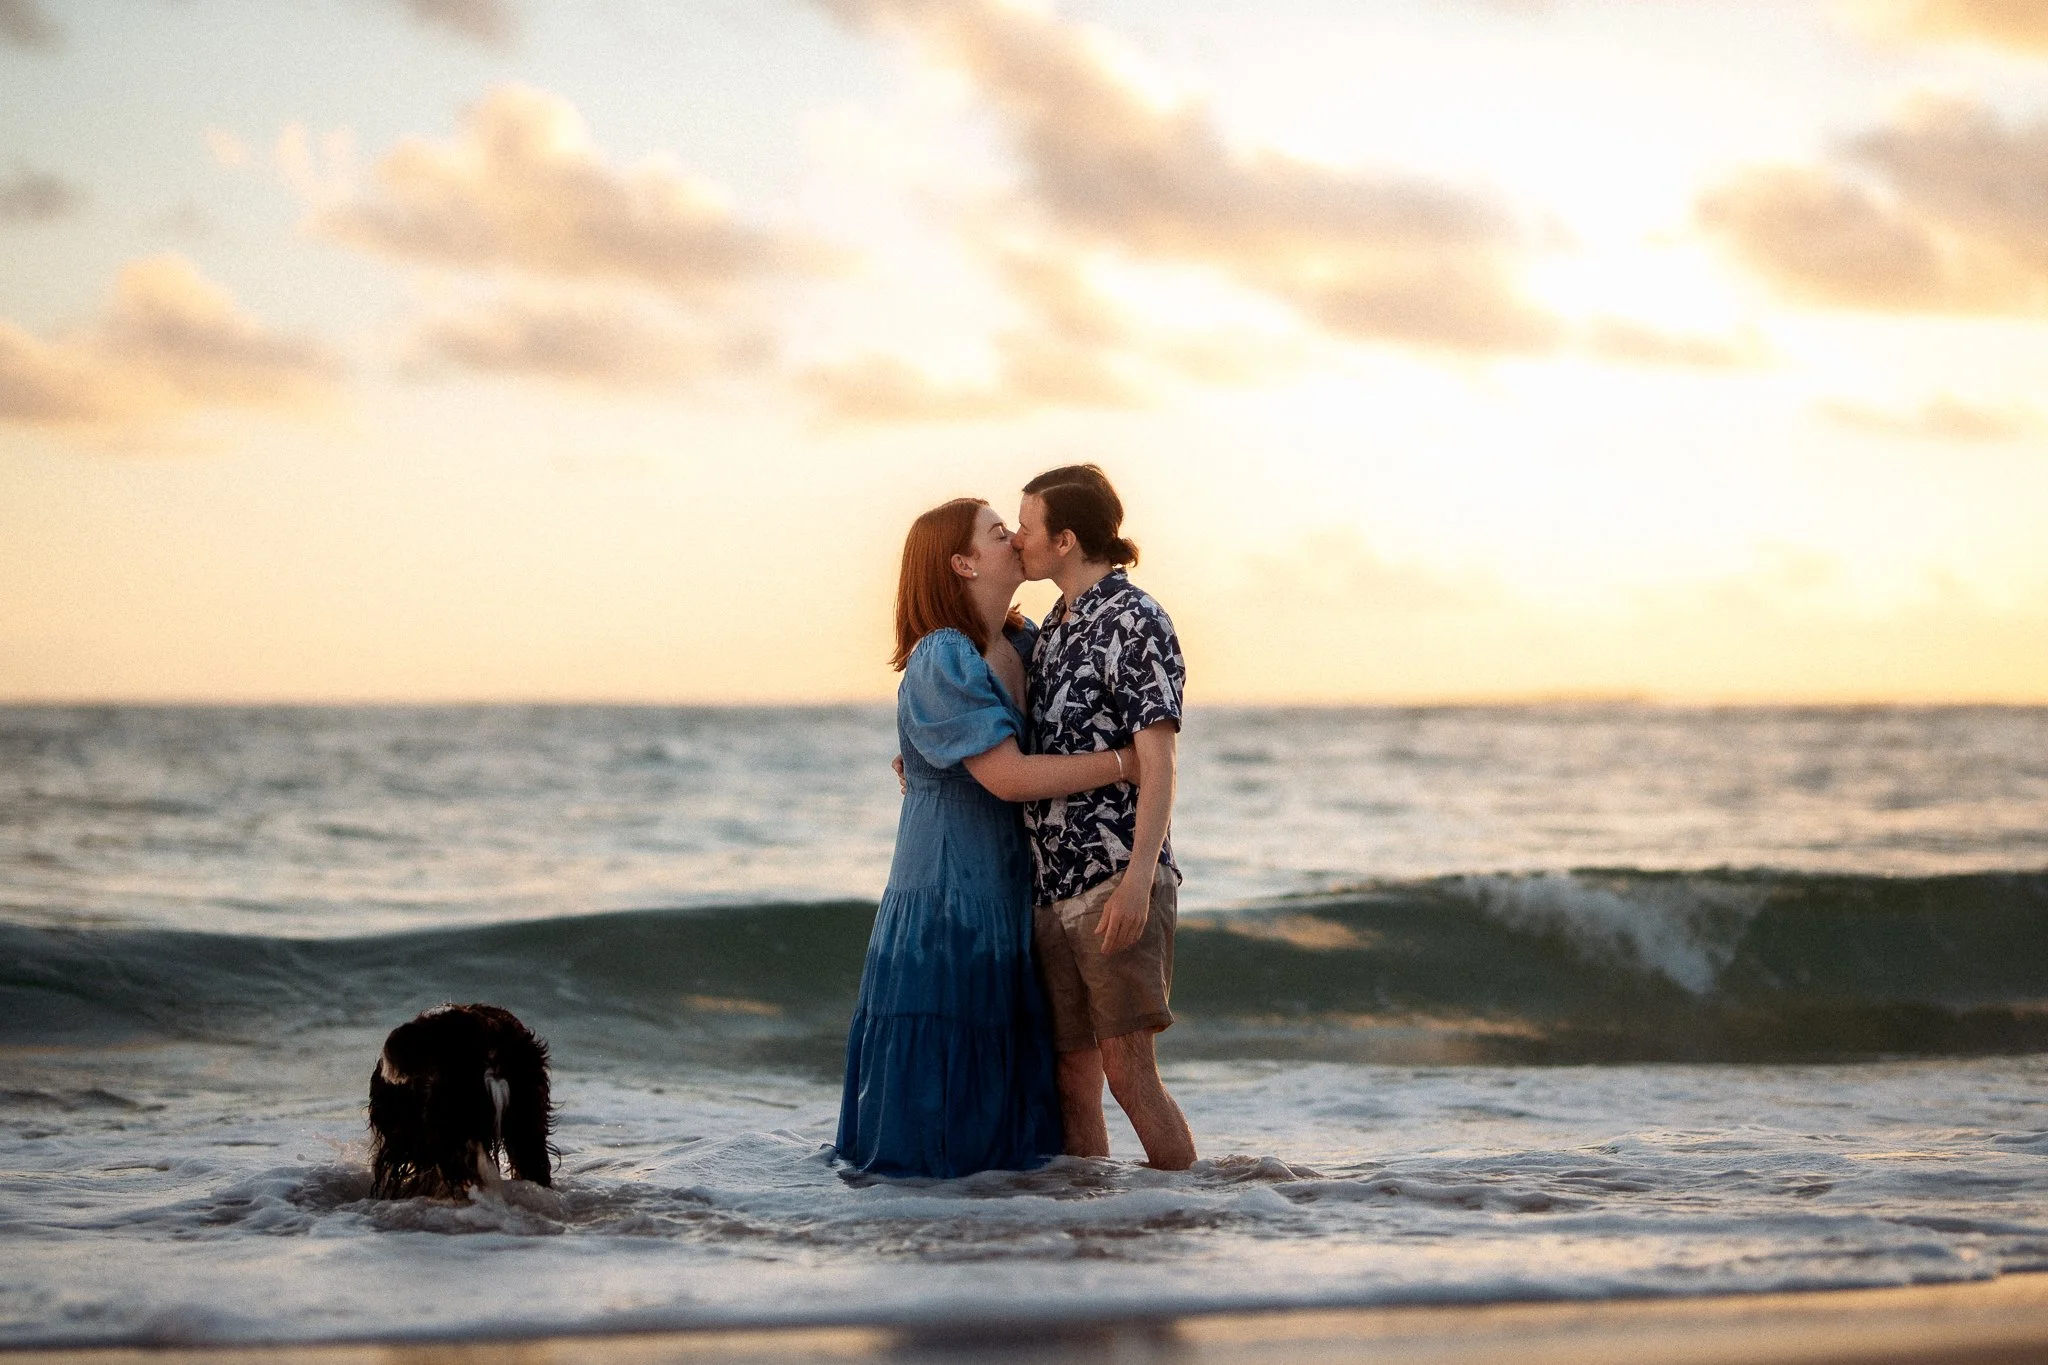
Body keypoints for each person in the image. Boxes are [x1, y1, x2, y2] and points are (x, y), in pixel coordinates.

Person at [836, 497, 1142, 1178]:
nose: (1016, 540)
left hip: (1009, 893)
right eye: (1000, 533)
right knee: (941, 1103)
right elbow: (1006, 776)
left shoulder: (1022, 642)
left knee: (1015, 1104)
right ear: (963, 562)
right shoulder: (943, 654)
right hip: (948, 898)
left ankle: (1009, 1249)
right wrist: (1129, 763)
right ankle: (938, 1247)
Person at [1011, 466, 1197, 1170]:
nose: (1017, 537)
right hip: (1051, 889)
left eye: (1027, 525)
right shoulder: (1053, 629)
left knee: (1128, 1074)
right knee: (1073, 1081)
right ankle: (1094, 1235)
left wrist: (1137, 879)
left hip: (1113, 878)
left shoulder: (1135, 619)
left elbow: (1160, 761)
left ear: (1065, 539)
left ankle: (1177, 1218)